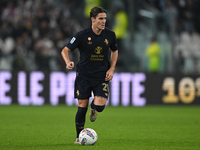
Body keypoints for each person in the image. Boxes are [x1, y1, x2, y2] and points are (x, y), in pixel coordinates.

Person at [61, 6, 118, 144]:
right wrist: (68, 61)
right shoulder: (81, 35)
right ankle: (78, 137)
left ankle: (94, 109)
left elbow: (114, 51)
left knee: (100, 106)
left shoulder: (110, 35)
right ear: (93, 19)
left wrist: (111, 69)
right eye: (100, 19)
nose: (104, 21)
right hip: (84, 76)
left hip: (101, 76)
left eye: (105, 18)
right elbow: (65, 50)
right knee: (82, 106)